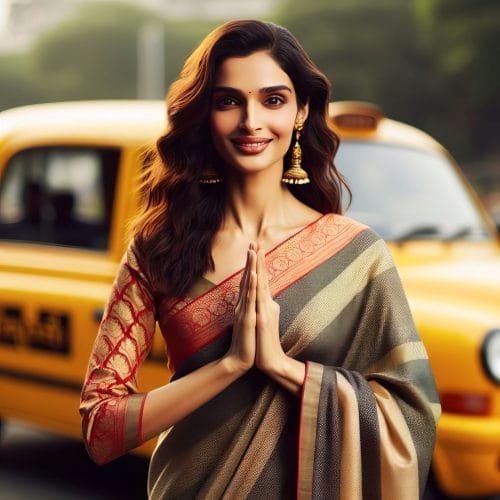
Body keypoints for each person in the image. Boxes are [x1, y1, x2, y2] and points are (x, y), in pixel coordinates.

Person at [80, 19, 440, 499]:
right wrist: (229, 366)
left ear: (300, 110)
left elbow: (412, 416)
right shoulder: (158, 247)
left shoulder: (356, 254)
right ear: (205, 114)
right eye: (229, 101)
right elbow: (101, 431)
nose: (251, 121)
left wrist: (286, 369)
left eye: (273, 100)